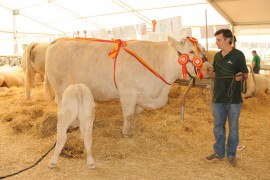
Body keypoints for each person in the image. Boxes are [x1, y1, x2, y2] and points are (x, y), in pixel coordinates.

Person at [206, 29, 248, 167]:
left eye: (218, 39)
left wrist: (240, 77)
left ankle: (231, 155)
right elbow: (215, 75)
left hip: (233, 100)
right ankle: (219, 152)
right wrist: (211, 73)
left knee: (233, 128)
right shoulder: (217, 56)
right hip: (218, 97)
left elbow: (245, 75)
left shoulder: (238, 55)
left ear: (227, 40)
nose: (216, 42)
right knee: (218, 127)